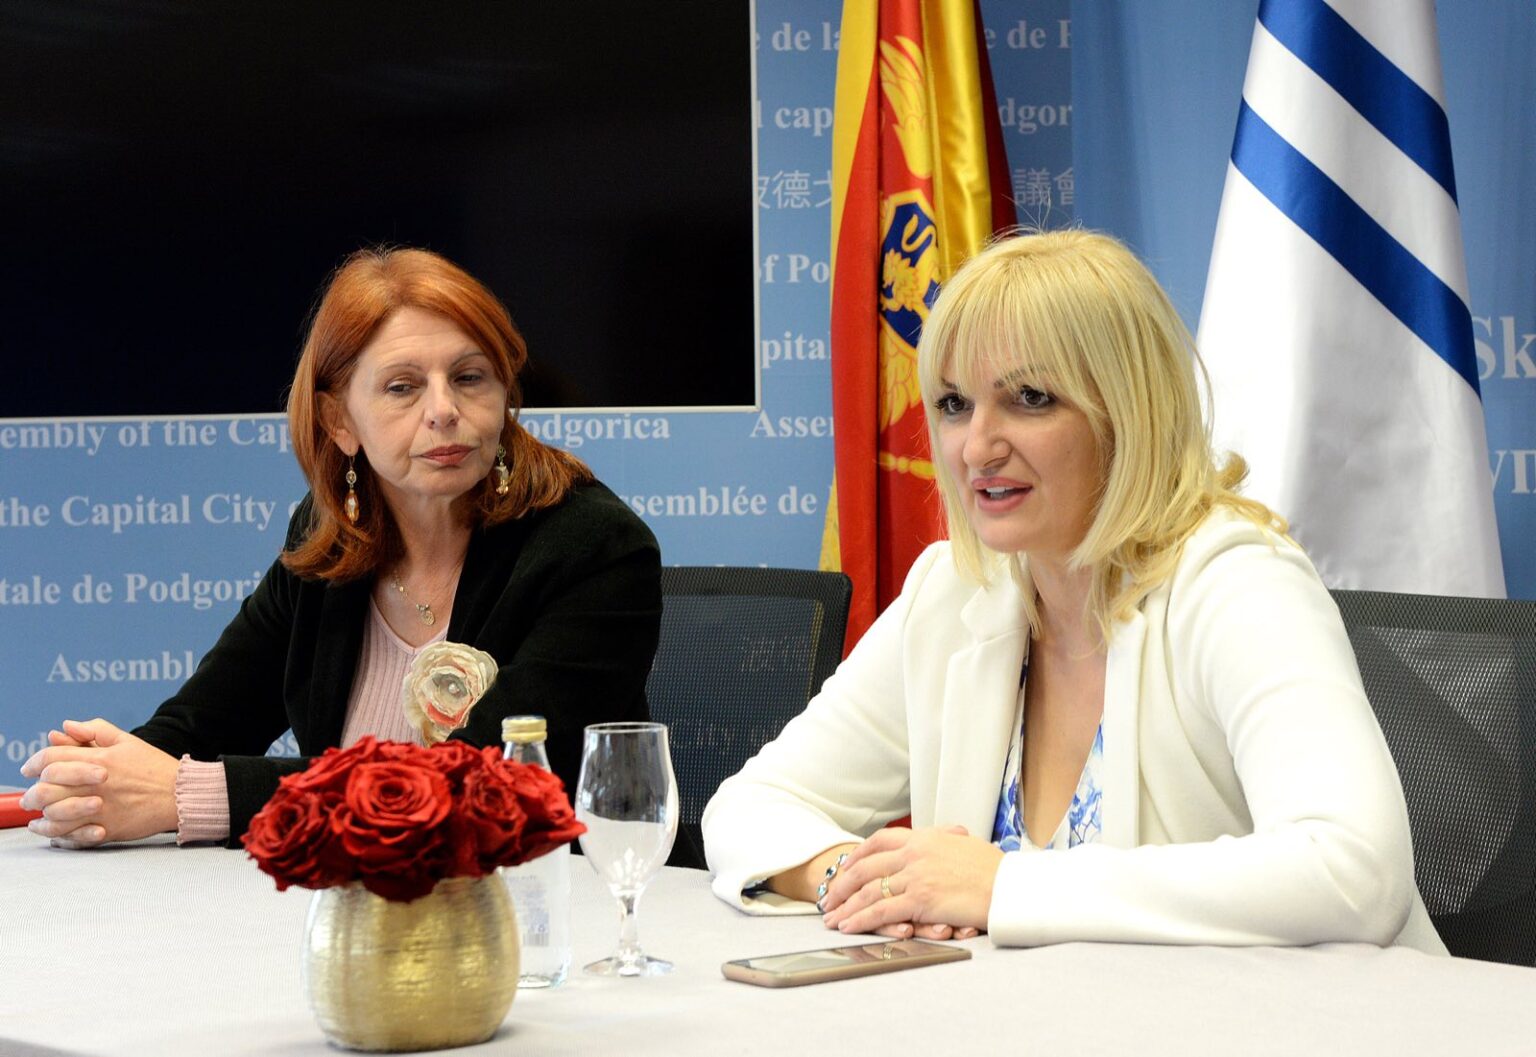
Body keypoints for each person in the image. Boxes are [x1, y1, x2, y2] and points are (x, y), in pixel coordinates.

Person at [702, 229, 1445, 954]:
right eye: (955, 404)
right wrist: (867, 881)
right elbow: (748, 807)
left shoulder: (1237, 582)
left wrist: (1003, 886)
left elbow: (1356, 871)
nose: (977, 445)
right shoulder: (952, 593)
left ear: (1128, 413)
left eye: (1029, 397)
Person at [19, 247, 661, 849]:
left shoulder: (594, 548)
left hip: (555, 902)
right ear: (339, 421)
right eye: (403, 387)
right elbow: (201, 725)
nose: (444, 409)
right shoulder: (331, 539)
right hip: (352, 899)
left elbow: (483, 787)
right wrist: (97, 778)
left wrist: (195, 794)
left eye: (470, 377)